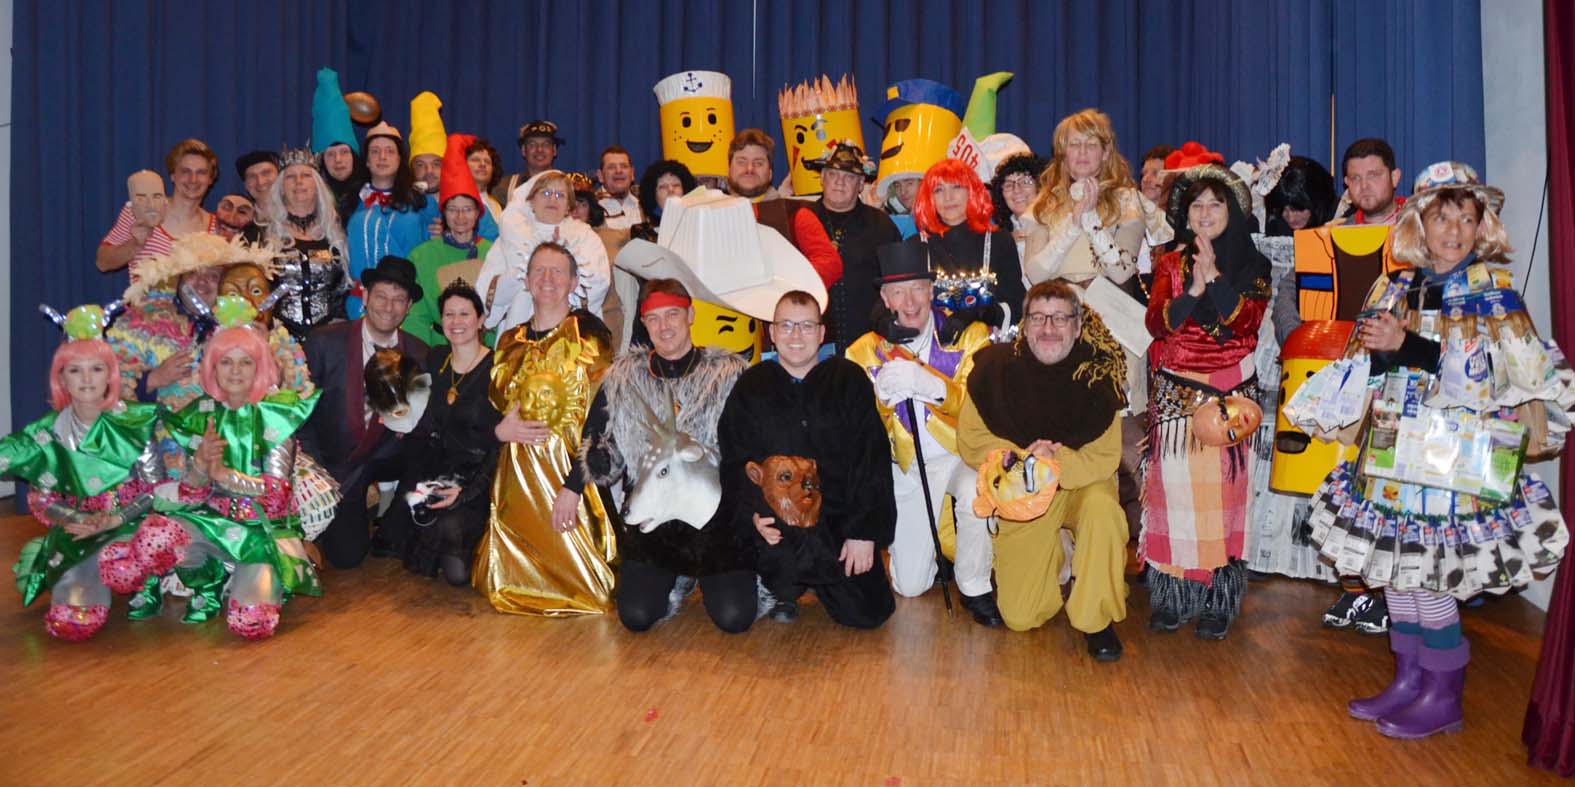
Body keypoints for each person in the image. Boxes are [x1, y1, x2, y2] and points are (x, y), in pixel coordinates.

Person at [1307, 163, 1570, 739]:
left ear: (1482, 227)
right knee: (1398, 574)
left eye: (1467, 219)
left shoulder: (1492, 292)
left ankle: (1442, 694)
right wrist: (1379, 355)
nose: (1455, 230)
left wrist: (1408, 345)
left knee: (1430, 579)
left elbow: (1495, 379)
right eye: (1443, 218)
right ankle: (1408, 680)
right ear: (1419, 224)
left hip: (1452, 463)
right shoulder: (1395, 285)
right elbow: (1372, 365)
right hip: (1392, 449)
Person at [958, 280, 1131, 660]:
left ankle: (1096, 618)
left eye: (1059, 318)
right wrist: (1026, 461)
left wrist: (1051, 463)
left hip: (1081, 485)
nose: (1048, 328)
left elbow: (1104, 457)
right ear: (1024, 323)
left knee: (1103, 511)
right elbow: (971, 440)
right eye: (1038, 318)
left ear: (1078, 325)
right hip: (1024, 491)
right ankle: (1058, 557)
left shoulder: (1100, 376)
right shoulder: (993, 371)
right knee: (1021, 616)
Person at [573, 279, 756, 632]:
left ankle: (716, 575)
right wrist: (600, 460)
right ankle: (679, 578)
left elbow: (750, 449)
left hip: (714, 517)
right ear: (644, 323)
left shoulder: (729, 375)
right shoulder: (624, 377)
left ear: (690, 315)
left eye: (672, 314)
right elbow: (606, 448)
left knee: (734, 618)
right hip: (654, 516)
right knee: (636, 616)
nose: (664, 326)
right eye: (653, 319)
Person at [1141, 163, 1271, 640]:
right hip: (1177, 394)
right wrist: (1193, 288)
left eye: (1215, 204)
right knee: (1172, 496)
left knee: (1224, 498)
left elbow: (1246, 323)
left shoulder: (1255, 264)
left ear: (1232, 210)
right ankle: (1172, 595)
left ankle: (1218, 599)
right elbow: (1158, 324)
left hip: (1231, 395)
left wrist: (1214, 277)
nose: (1205, 212)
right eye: (1197, 205)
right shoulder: (1168, 263)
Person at [718, 291, 896, 629]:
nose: (796, 335)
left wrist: (863, 533)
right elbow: (735, 460)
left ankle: (823, 582)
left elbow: (870, 459)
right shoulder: (752, 385)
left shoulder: (848, 379)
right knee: (772, 574)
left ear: (821, 332)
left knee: (869, 613)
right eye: (786, 325)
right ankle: (782, 588)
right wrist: (752, 515)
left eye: (806, 326)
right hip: (778, 524)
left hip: (837, 525)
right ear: (772, 332)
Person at [846, 241, 1000, 625]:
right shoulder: (863, 351)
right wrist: (882, 403)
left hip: (958, 454)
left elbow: (981, 409)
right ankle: (938, 554)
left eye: (917, 288)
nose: (910, 301)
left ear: (932, 291)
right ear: (885, 298)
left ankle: (975, 585)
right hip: (908, 465)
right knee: (910, 585)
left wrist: (930, 384)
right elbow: (859, 432)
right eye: (898, 292)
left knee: (974, 491)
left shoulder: (968, 336)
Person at [153, 307, 324, 639]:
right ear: (212, 367)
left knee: (251, 622)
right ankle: (210, 580)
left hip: (260, 531)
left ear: (260, 368)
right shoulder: (200, 414)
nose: (235, 371)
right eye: (226, 362)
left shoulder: (274, 417)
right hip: (214, 525)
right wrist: (200, 468)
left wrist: (224, 474)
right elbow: (190, 492)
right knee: (158, 535)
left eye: (245, 362)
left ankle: (262, 576)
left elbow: (276, 496)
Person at [475, 241, 617, 615]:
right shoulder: (509, 341)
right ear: (526, 280)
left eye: (558, 271)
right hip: (517, 479)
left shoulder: (589, 336)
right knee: (506, 583)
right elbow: (490, 410)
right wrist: (499, 431)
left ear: (573, 282)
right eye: (539, 270)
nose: (548, 278)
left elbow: (603, 416)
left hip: (569, 475)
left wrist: (575, 485)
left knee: (594, 593)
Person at [3, 306, 161, 641]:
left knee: (126, 563)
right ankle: (87, 579)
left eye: (96, 369)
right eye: (75, 370)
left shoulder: (135, 423)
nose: (87, 379)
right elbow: (42, 498)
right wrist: (79, 518)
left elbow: (155, 489)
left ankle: (146, 584)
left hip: (128, 523)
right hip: (77, 530)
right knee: (72, 623)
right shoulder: (47, 433)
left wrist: (116, 518)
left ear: (110, 375)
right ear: (61, 379)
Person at [298, 256, 428, 568]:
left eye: (399, 299)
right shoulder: (324, 342)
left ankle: (394, 525)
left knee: (426, 448)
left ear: (409, 307)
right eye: (381, 296)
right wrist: (316, 468)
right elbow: (301, 413)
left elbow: (419, 421)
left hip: (386, 455)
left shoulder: (419, 353)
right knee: (346, 556)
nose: (389, 307)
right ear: (365, 297)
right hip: (334, 460)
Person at [376, 280, 500, 585]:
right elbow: (417, 413)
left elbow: (501, 442)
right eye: (449, 314)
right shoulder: (435, 358)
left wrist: (469, 490)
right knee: (389, 542)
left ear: (481, 320)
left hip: (478, 473)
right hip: (434, 467)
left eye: (464, 314)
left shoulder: (498, 367)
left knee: (457, 574)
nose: (456, 322)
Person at [477, 170, 612, 334]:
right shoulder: (512, 236)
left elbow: (598, 282)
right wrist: (524, 270)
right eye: (546, 193)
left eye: (560, 195)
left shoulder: (584, 236)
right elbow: (491, 292)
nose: (552, 199)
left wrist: (562, 262)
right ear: (531, 201)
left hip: (570, 329)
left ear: (568, 206)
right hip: (518, 327)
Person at [1023, 109, 1145, 291]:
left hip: (1108, 304)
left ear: (1105, 153)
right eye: (1074, 144)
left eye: (1091, 145)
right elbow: (1035, 275)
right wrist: (1073, 226)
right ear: (1063, 153)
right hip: (1059, 303)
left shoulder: (1127, 200)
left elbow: (1122, 272)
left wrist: (1090, 220)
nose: (1082, 152)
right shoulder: (1045, 203)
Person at [907, 158, 1026, 333]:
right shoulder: (916, 246)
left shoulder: (999, 240)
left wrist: (980, 314)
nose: (948, 197)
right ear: (929, 198)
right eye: (938, 190)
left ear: (972, 192)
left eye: (956, 187)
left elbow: (1016, 306)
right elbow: (896, 300)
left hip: (989, 345)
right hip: (932, 345)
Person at [803, 142, 901, 348]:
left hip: (868, 341)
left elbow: (898, 284)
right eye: (833, 174)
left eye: (849, 177)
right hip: (808, 342)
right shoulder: (799, 219)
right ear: (822, 178)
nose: (839, 182)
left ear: (861, 184)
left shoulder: (882, 226)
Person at [403, 134, 494, 347]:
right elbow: (416, 316)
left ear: (478, 213)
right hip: (437, 348)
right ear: (443, 213)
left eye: (467, 209)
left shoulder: (493, 253)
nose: (460, 217)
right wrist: (421, 355)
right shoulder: (421, 256)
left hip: (485, 348)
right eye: (453, 209)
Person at [726, 129, 843, 292]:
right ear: (729, 169)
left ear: (770, 173)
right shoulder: (707, 213)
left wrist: (786, 290)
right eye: (741, 162)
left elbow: (829, 264)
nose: (750, 168)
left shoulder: (794, 213)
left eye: (759, 163)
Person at [261, 147, 351, 341]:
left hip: (329, 336)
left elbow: (342, 289)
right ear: (281, 188)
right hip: (279, 338)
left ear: (318, 185)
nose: (299, 181)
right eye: (290, 177)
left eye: (306, 175)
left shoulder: (337, 233)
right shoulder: (264, 235)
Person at [346, 123, 429, 316]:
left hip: (408, 307)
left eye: (390, 151)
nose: (382, 157)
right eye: (375, 151)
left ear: (400, 159)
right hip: (360, 305)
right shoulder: (350, 202)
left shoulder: (421, 202)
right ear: (367, 160)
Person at [310, 67, 365, 230]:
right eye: (330, 154)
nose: (338, 160)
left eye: (344, 152)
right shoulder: (311, 196)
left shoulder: (371, 193)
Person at [96, 170, 174, 279]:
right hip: (144, 289)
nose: (151, 205)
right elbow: (102, 263)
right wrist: (135, 245)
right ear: (174, 176)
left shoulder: (201, 222)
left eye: (156, 196)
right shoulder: (132, 214)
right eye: (141, 198)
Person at [989, 151, 1048, 267]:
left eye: (1025, 182)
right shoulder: (997, 239)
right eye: (1008, 185)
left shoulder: (1057, 225)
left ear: (1040, 186)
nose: (1016, 190)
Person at [493, 120, 564, 208]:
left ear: (554, 150)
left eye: (546, 144)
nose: (539, 149)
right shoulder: (504, 187)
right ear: (523, 150)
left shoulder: (567, 188)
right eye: (532, 144)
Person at [629, 159, 698, 243]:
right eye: (663, 187)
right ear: (653, 194)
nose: (670, 190)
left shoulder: (698, 226)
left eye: (676, 185)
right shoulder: (642, 232)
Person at [596, 145, 642, 230]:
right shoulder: (589, 208)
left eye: (624, 166)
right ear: (600, 176)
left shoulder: (645, 205)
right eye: (611, 167)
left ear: (632, 173)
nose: (618, 171)